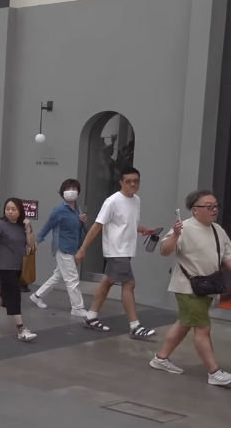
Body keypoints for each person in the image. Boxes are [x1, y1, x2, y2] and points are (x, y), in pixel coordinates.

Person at [150, 190, 231, 387]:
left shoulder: (217, 230)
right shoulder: (183, 228)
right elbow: (164, 250)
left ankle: (161, 358)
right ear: (195, 210)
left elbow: (227, 258)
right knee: (202, 328)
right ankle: (214, 372)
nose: (214, 209)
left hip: (207, 287)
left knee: (184, 324)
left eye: (216, 205)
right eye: (209, 206)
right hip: (188, 288)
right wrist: (175, 235)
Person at [75, 166, 157, 338]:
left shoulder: (136, 200)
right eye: (129, 181)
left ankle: (90, 317)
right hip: (116, 251)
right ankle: (135, 326)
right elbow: (98, 226)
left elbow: (125, 224)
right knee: (129, 284)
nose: (133, 184)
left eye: (136, 181)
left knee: (106, 282)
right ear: (121, 182)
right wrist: (83, 249)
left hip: (126, 250)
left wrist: (142, 229)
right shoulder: (112, 201)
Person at [0, 198, 37, 341]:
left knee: (4, 295)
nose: (10, 212)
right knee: (14, 296)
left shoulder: (23, 226)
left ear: (20, 211)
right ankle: (21, 329)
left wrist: (28, 229)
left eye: (13, 209)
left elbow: (31, 244)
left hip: (18, 267)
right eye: (7, 209)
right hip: (4, 267)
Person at [30, 179, 88, 316]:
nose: (71, 191)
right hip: (62, 248)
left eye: (74, 188)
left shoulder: (77, 210)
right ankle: (77, 308)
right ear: (62, 193)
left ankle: (37, 296)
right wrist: (37, 241)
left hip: (72, 247)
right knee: (72, 278)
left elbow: (79, 230)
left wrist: (83, 222)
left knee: (58, 276)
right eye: (68, 188)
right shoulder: (59, 211)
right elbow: (47, 226)